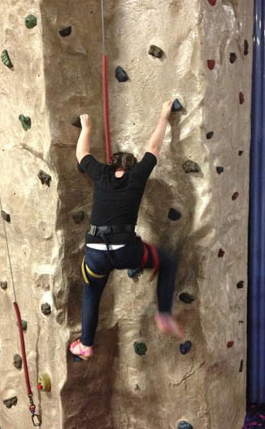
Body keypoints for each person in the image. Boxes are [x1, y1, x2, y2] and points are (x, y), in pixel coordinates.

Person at [69, 100, 184, 360]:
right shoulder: (138, 175)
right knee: (165, 262)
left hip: (96, 251)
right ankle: (164, 314)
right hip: (125, 250)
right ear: (131, 166)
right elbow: (153, 147)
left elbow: (82, 155)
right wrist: (163, 114)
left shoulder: (100, 173)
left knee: (92, 292)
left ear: (112, 164)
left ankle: (86, 344)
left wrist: (86, 126)